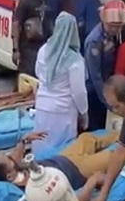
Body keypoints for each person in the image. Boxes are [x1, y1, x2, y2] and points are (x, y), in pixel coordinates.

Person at [0, 130, 125, 201]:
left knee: (86, 138)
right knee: (113, 157)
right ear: (9, 176)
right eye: (8, 159)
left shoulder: (13, 171)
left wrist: (24, 140)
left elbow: (16, 159)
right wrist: (92, 183)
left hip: (64, 158)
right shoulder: (31, 189)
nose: (12, 157)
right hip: (79, 171)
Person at [32, 12, 88, 154]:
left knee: (41, 142)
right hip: (63, 110)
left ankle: (39, 171)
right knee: (61, 148)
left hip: (43, 105)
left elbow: (38, 73)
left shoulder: (44, 50)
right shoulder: (75, 60)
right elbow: (79, 92)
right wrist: (84, 112)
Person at [84, 0, 125, 130]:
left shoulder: (114, 35)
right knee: (96, 127)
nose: (115, 29)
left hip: (107, 86)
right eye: (112, 25)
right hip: (95, 91)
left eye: (118, 26)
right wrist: (107, 100)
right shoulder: (95, 40)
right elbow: (95, 75)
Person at [12, 0, 49, 76]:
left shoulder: (47, 0)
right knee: (27, 77)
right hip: (28, 48)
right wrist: (15, 49)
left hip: (44, 46)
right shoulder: (26, 1)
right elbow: (16, 24)